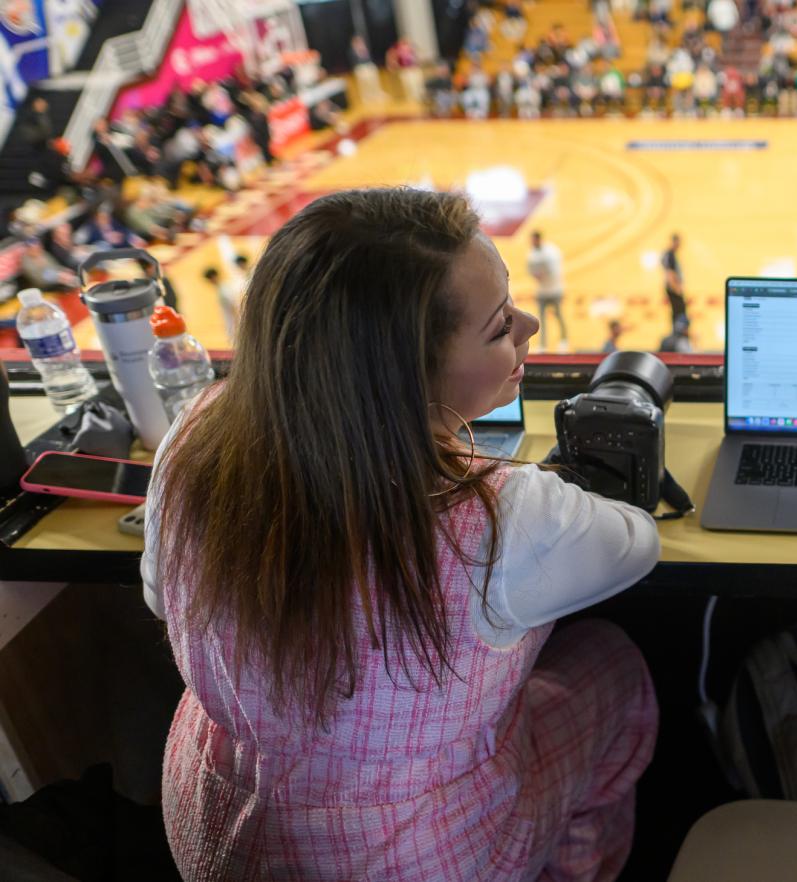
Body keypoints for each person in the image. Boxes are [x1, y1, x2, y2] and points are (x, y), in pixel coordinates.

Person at [145, 189, 659, 880]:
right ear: (405, 377)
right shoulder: (509, 516)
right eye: (501, 325)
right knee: (614, 663)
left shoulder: (193, 436)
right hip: (418, 853)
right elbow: (635, 541)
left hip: (216, 817)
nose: (529, 326)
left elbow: (160, 596)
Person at [526, 229, 568, 350]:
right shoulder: (532, 254)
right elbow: (530, 270)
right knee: (542, 320)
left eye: (534, 240)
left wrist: (543, 274)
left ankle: (563, 341)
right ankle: (543, 344)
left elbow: (555, 271)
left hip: (555, 291)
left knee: (559, 316)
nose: (532, 242)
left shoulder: (551, 251)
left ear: (539, 239)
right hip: (542, 292)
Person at [661, 232, 686, 329]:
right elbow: (669, 273)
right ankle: (678, 331)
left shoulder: (671, 254)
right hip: (673, 288)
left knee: (678, 311)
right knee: (678, 311)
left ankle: (678, 330)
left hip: (673, 287)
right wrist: (676, 288)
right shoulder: (670, 255)